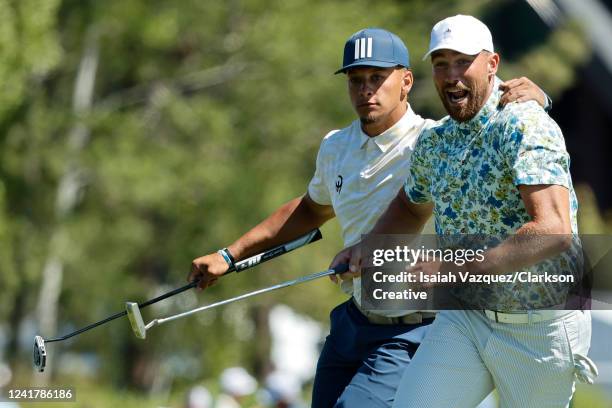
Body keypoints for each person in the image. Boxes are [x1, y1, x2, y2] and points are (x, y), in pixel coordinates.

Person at [189, 27, 549, 407]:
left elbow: (484, 112)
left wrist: (540, 99)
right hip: (352, 322)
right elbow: (310, 209)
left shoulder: (436, 142)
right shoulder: (336, 146)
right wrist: (229, 256)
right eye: (356, 80)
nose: (366, 90)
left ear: (406, 81)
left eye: (378, 78)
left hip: (414, 329)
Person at [331, 15, 597, 408]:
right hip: (466, 317)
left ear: (492, 64)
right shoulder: (436, 142)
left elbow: (553, 230)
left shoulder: (524, 124)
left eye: (463, 61)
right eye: (441, 64)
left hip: (540, 325)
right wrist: (367, 247)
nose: (451, 75)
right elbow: (409, 203)